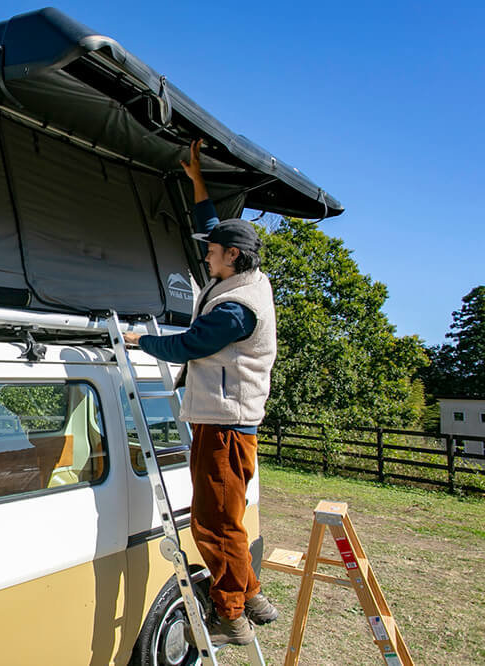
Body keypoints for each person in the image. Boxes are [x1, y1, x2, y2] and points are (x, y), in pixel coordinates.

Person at [123, 139, 279, 647]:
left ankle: (230, 613)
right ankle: (250, 591)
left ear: (232, 257)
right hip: (223, 420)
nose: (205, 255)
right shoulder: (241, 275)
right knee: (224, 516)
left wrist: (140, 340)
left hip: (226, 425)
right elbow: (207, 229)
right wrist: (196, 181)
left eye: (213, 252)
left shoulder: (238, 309)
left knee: (215, 524)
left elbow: (191, 344)